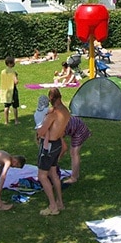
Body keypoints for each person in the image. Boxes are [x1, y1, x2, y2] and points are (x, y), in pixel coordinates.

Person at [35, 87, 68, 215]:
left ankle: (53, 206)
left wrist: (39, 129)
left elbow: (42, 132)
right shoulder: (65, 111)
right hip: (58, 143)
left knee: (42, 176)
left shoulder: (52, 115)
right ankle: (60, 202)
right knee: (54, 173)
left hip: (49, 147)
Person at [62, 115, 92, 184]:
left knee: (74, 153)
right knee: (73, 152)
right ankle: (76, 174)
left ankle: (74, 178)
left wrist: (55, 161)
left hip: (80, 130)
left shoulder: (57, 129)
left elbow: (64, 148)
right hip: (75, 126)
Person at [0, 56, 19, 125]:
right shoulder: (13, 72)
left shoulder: (3, 72)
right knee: (15, 106)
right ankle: (16, 121)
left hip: (5, 90)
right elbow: (15, 82)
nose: (14, 63)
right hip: (12, 90)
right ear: (10, 64)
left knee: (6, 106)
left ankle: (6, 121)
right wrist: (16, 77)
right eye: (13, 62)